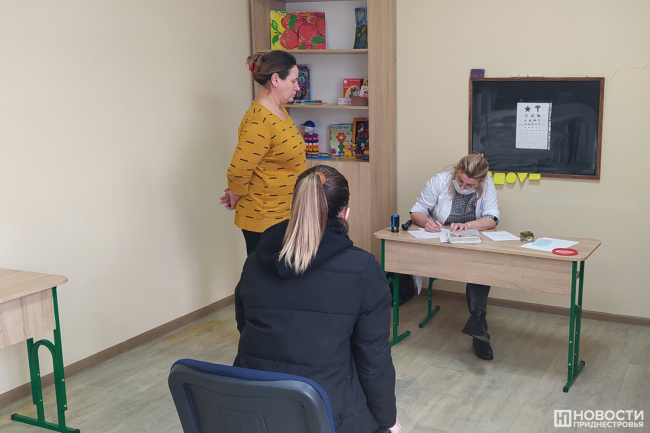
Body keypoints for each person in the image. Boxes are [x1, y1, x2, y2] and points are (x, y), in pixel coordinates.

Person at [234, 165, 401, 433]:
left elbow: (244, 325)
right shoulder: (364, 269)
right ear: (345, 213)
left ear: (295, 207)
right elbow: (373, 359)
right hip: (323, 411)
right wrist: (388, 421)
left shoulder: (254, 260)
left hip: (250, 408)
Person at [410, 154, 500, 361]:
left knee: (480, 266)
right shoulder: (440, 181)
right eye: (460, 180)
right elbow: (417, 211)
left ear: (480, 182)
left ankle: (478, 323)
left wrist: (468, 225)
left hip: (471, 240)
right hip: (440, 240)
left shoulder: (487, 185)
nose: (463, 187)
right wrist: (427, 222)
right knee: (476, 265)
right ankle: (479, 323)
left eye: (470, 185)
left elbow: (492, 218)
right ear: (456, 171)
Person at [220, 51, 307, 255]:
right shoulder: (258, 122)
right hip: (265, 220)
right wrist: (235, 194)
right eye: (293, 81)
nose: (298, 87)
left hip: (285, 214)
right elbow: (238, 171)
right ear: (275, 80)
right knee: (266, 275)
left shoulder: (279, 112)